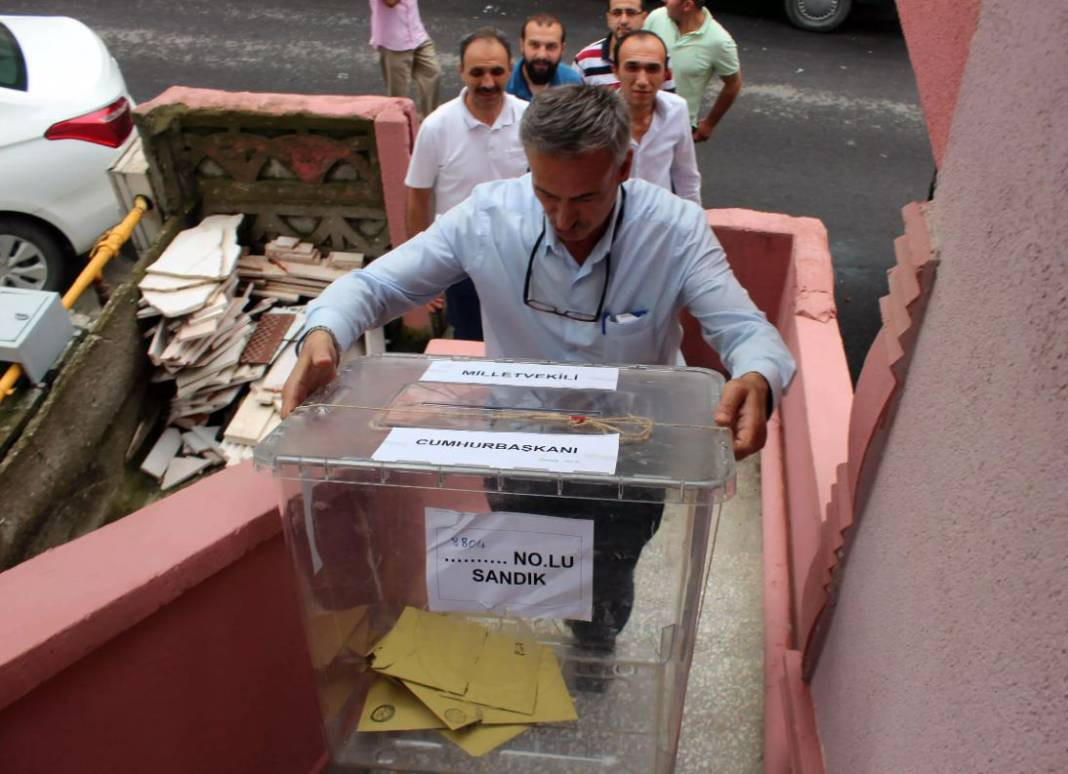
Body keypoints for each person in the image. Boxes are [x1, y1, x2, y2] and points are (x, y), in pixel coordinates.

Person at [284, 85, 794, 649]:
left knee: (608, 578)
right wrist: (325, 330)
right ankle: (530, 648)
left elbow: (746, 330)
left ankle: (595, 645)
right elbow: (379, 283)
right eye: (546, 193)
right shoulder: (487, 216)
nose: (563, 218)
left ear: (624, 166)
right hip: (518, 443)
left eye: (585, 198)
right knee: (525, 563)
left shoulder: (674, 230)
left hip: (632, 452)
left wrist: (756, 377)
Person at [403, 28, 529, 341]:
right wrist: (424, 272)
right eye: (477, 72)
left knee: (523, 340)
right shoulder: (437, 126)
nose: (488, 82)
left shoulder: (530, 120)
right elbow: (418, 198)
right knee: (471, 343)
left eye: (497, 71)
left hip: (520, 258)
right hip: (462, 263)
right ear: (461, 71)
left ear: (510, 69)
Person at [614, 30, 700, 205]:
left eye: (652, 69)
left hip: (660, 222)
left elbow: (686, 176)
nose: (643, 80)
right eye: (632, 68)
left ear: (666, 75)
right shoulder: (597, 116)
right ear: (615, 71)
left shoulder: (677, 110)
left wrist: (694, 222)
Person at [644, 0, 742, 142]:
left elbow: (733, 84)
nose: (664, 1)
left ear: (687, 5)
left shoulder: (719, 42)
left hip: (676, 128)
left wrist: (710, 123)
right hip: (639, 117)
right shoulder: (657, 17)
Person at [573, 0, 676, 93]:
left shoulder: (659, 57)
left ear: (644, 18)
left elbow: (668, 106)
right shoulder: (585, 60)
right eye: (616, 13)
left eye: (631, 13)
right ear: (608, 17)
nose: (623, 21)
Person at [368, 0, 441, 119]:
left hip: (418, 35)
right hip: (394, 43)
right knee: (399, 96)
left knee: (432, 73)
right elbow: (390, 2)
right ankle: (399, 127)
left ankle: (430, 120)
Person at [506, 13, 582, 101]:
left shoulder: (573, 84)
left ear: (562, 49)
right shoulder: (504, 82)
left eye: (551, 46)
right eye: (534, 45)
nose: (542, 55)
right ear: (522, 45)